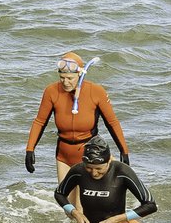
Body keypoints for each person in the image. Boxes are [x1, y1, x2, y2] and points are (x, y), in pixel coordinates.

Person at [24, 52, 128, 181]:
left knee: (88, 200)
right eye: (62, 78)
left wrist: (124, 151)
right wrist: (30, 149)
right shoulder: (51, 91)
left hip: (91, 156)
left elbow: (112, 123)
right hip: (64, 156)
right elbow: (40, 122)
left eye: (69, 78)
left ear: (80, 74)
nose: (65, 82)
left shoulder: (96, 91)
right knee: (65, 200)